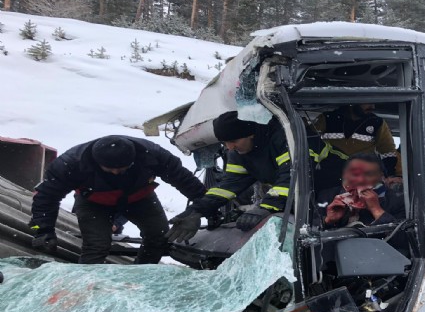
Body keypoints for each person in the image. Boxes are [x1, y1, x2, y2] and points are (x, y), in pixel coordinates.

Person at [29, 135, 207, 264]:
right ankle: (88, 287)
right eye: (109, 169)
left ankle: (142, 277)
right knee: (96, 245)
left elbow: (185, 181)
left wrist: (200, 210)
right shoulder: (71, 164)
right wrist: (43, 230)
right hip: (94, 203)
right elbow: (47, 197)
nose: (116, 173)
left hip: (140, 198)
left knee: (159, 235)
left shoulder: (153, 155)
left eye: (122, 168)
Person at [167, 111, 293, 241]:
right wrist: (196, 210)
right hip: (289, 201)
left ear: (250, 134)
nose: (230, 147)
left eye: (233, 141)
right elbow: (229, 185)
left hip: (311, 205)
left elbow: (293, 178)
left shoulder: (286, 139)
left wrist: (266, 207)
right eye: (224, 142)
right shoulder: (240, 153)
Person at [313, 104, 401, 182]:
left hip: (362, 179)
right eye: (368, 102)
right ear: (354, 101)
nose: (372, 107)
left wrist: (391, 175)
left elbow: (388, 152)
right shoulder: (328, 118)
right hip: (330, 177)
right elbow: (308, 140)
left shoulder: (377, 123)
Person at [317, 153, 405, 229]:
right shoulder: (327, 197)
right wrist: (328, 220)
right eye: (354, 174)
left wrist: (376, 210)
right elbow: (309, 234)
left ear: (381, 177)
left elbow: (404, 240)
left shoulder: (397, 201)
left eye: (368, 174)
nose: (360, 180)